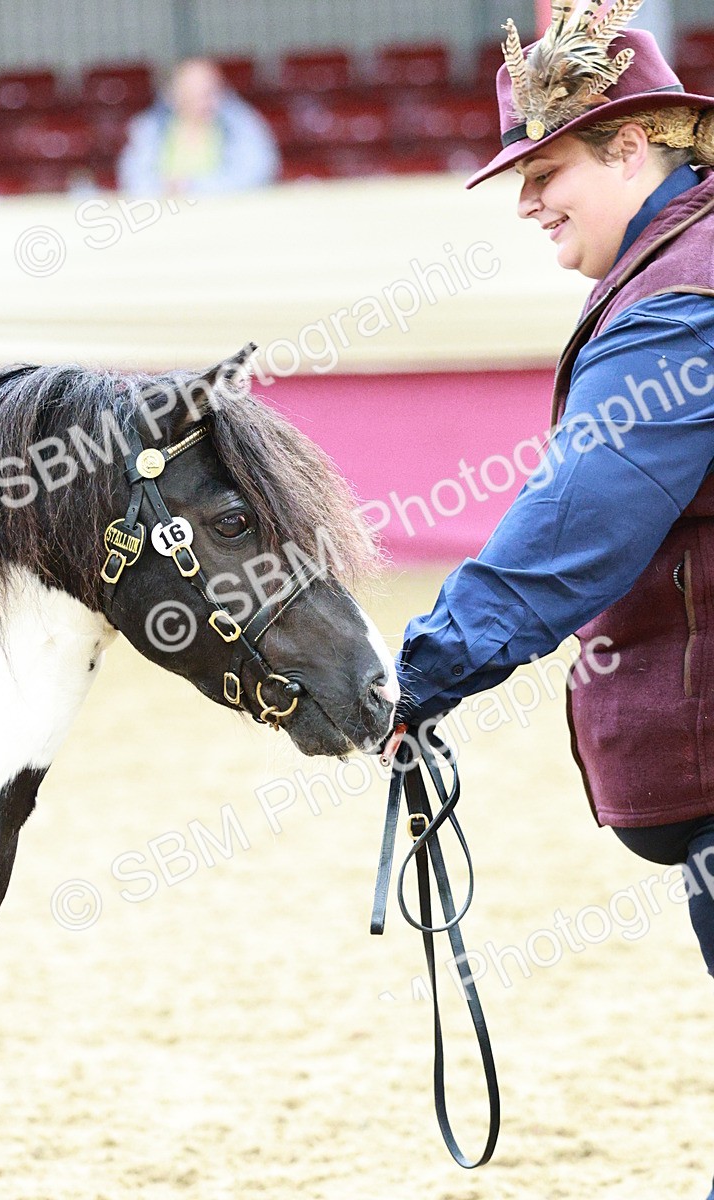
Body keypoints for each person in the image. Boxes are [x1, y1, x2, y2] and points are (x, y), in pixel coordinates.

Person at [394, 2, 714, 1193]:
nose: (524, 199)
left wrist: (422, 670)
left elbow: (579, 522)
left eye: (546, 167)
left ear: (634, 147)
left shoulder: (681, 300)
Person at [117, 58, 280, 198]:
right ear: (173, 96)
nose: (205, 101)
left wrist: (192, 187)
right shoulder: (150, 129)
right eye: (192, 94)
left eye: (210, 92)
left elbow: (257, 172)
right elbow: (133, 178)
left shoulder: (241, 124)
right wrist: (162, 189)